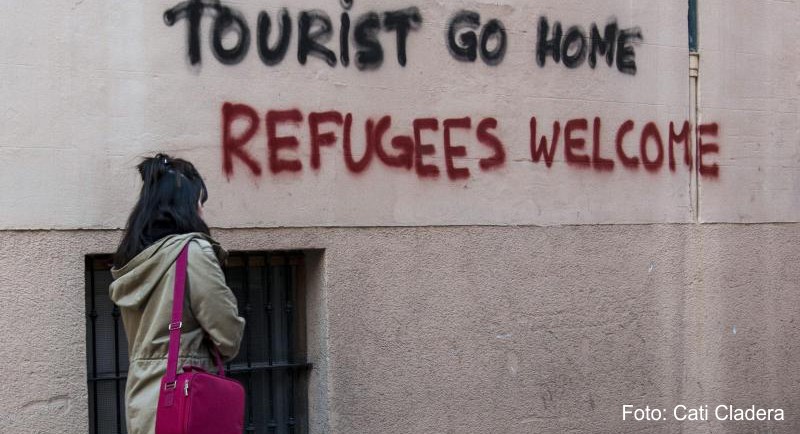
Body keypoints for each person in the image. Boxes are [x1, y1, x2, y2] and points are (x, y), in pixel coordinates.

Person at [109, 153, 245, 434]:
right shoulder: (193, 252)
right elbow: (228, 335)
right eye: (199, 203)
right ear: (184, 206)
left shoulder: (133, 260)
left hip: (143, 399)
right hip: (185, 397)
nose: (202, 212)